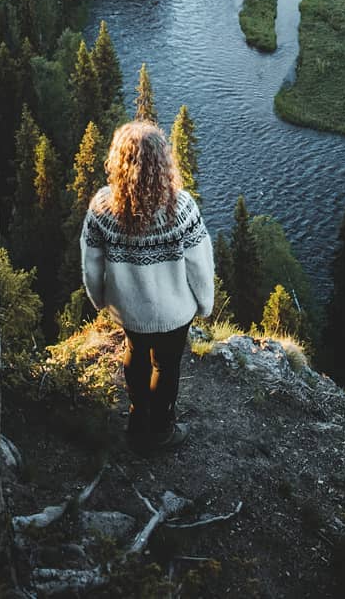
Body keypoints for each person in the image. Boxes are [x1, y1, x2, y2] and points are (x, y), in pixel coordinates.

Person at [81, 120, 214, 452]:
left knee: (135, 353)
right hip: (174, 311)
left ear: (118, 161)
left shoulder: (102, 207)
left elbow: (90, 261)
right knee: (166, 366)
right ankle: (161, 429)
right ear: (162, 162)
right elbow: (199, 264)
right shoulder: (181, 208)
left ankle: (137, 420)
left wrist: (99, 300)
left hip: (129, 309)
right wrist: (205, 303)